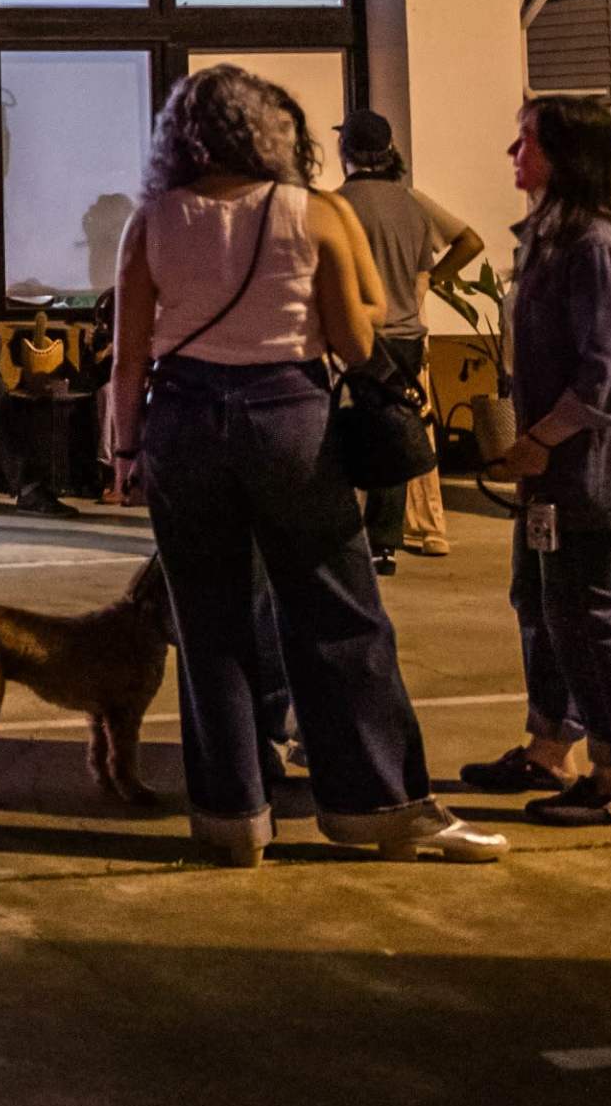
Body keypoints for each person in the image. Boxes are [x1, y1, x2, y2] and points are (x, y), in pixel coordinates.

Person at [102, 65, 504, 868]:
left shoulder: (152, 221)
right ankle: (377, 804)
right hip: (289, 417)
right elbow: (355, 338)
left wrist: (123, 451)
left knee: (209, 623)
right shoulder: (313, 213)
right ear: (271, 131)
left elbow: (127, 357)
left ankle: (232, 818)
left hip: (182, 418)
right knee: (339, 612)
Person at [458, 96, 611, 826]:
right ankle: (551, 746)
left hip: (589, 467)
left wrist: (540, 439)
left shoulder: (599, 247)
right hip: (551, 469)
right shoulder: (551, 237)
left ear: (567, 155)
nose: (513, 153)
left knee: (589, 614)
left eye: (527, 140)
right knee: (542, 601)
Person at [335, 110, 490, 568]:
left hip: (353, 336)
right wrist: (434, 281)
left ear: (345, 152)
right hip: (405, 339)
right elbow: (470, 242)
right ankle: (383, 543)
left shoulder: (336, 206)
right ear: (389, 152)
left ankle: (343, 535)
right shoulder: (412, 204)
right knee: (392, 436)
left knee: (341, 437)